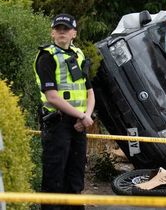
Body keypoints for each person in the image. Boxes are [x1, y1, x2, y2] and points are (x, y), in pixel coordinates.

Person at [33, 13, 95, 210]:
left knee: (75, 179)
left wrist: (87, 116)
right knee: (54, 179)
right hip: (57, 123)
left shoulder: (79, 54)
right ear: (52, 33)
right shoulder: (46, 57)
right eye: (58, 29)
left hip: (78, 125)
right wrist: (81, 116)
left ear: (73, 33)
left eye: (66, 29)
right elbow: (52, 96)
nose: (62, 32)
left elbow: (90, 92)